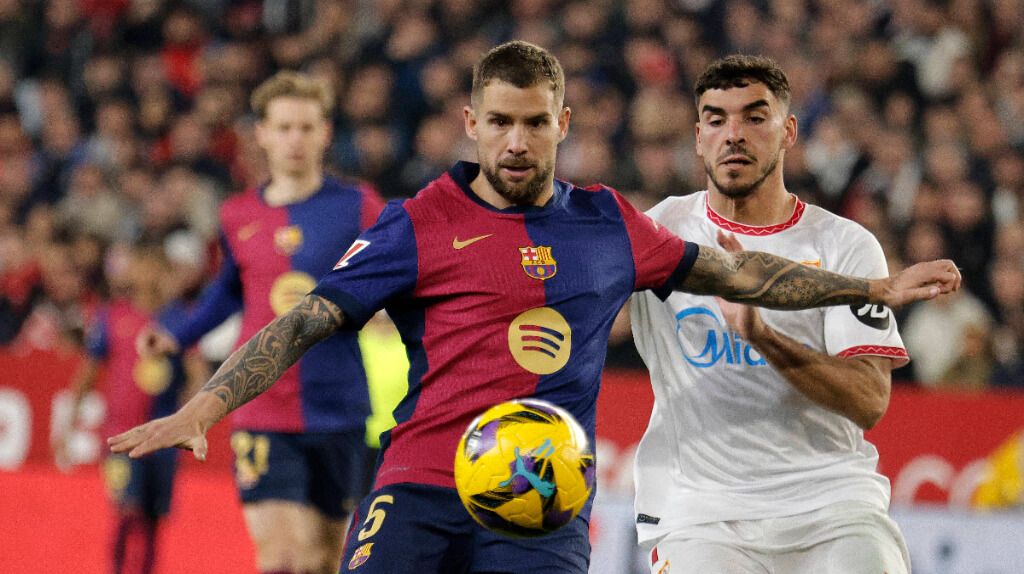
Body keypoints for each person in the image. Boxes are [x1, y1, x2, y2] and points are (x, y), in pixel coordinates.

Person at [110, 42, 959, 574]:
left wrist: (870, 288)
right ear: (472, 122)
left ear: (564, 123)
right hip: (419, 484)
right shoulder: (418, 222)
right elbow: (303, 319)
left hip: (544, 496)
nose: (518, 143)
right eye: (502, 123)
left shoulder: (609, 226)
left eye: (537, 124)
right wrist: (206, 404)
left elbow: (744, 276)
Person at [630, 54, 917, 574]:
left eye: (754, 118)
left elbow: (869, 401)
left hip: (833, 506)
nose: (733, 134)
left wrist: (764, 336)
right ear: (698, 136)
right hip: (702, 515)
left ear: (787, 132)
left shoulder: (845, 244)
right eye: (717, 120)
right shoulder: (659, 232)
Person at [135, 71, 384, 574]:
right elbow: (228, 289)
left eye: (306, 127)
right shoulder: (237, 214)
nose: (296, 138)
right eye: (285, 127)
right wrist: (179, 335)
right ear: (263, 134)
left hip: (340, 407)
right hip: (261, 408)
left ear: (325, 132)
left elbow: (395, 277)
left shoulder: (359, 207)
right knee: (281, 558)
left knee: (324, 559)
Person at [53, 243, 206, 574]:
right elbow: (87, 374)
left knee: (153, 518)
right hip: (121, 437)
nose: (137, 272)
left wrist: (190, 417)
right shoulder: (113, 316)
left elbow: (198, 374)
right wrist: (66, 426)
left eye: (145, 265)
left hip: (164, 437)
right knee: (128, 510)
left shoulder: (179, 318)